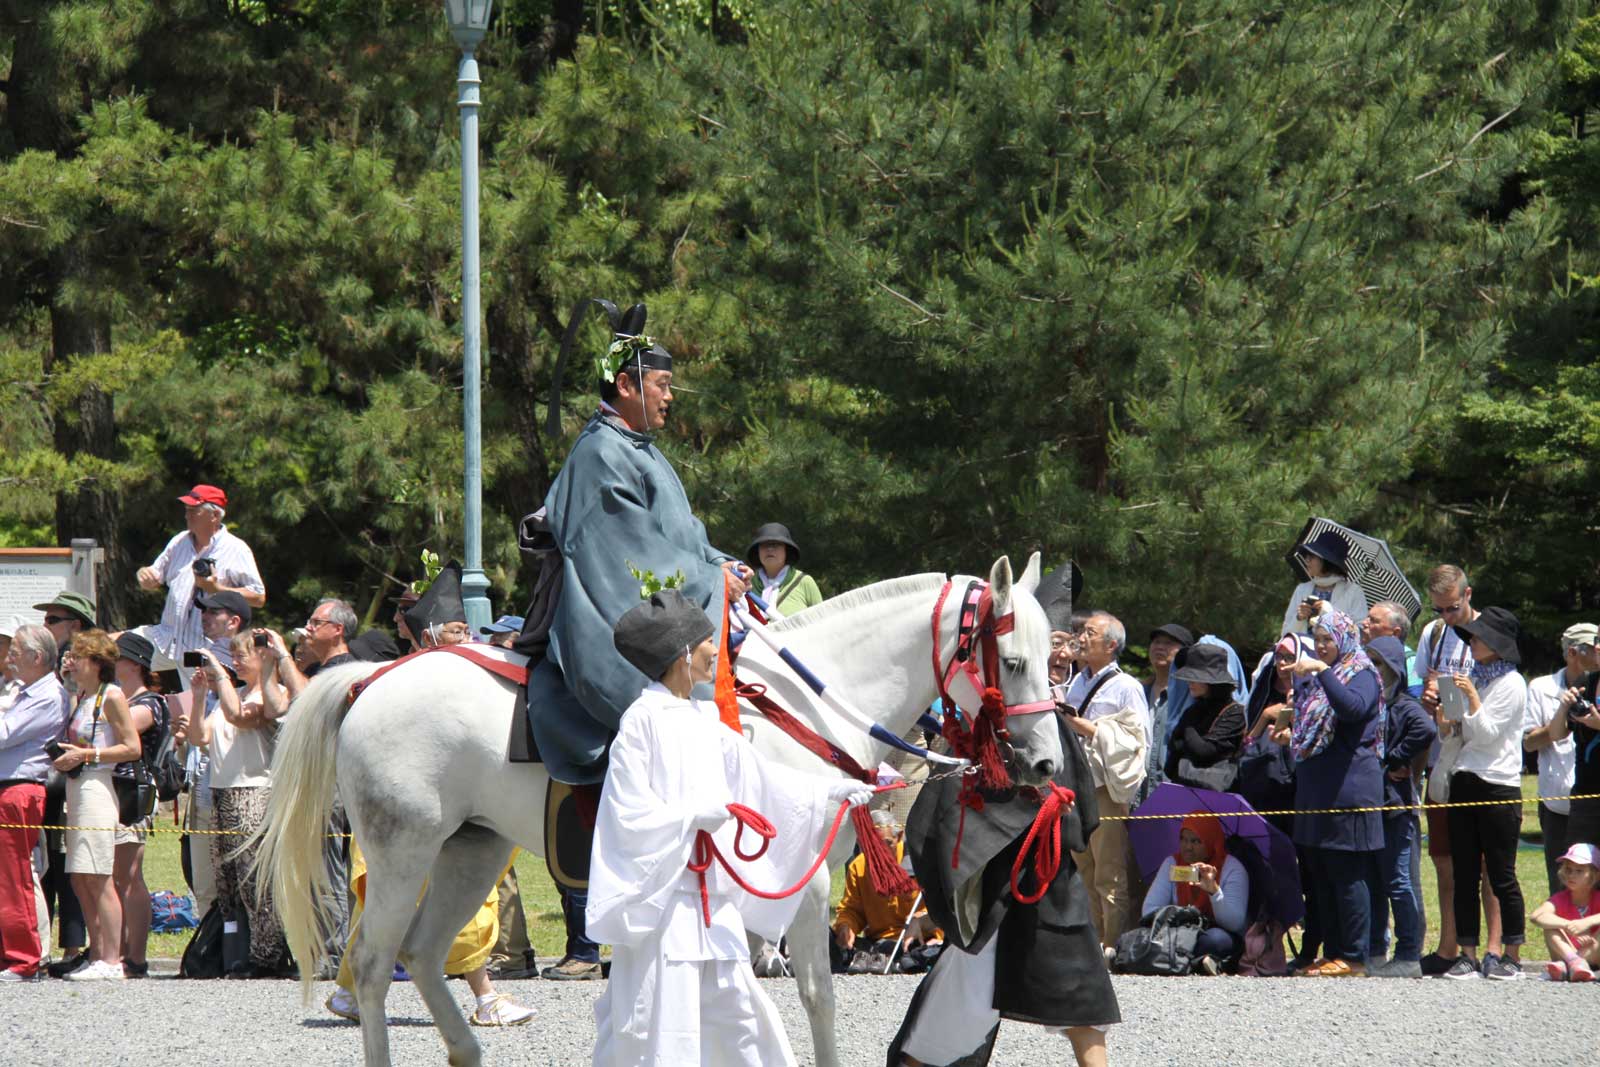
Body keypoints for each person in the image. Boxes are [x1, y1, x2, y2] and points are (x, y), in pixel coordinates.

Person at [587, 589, 872, 1067]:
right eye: (705, 641)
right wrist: (689, 818)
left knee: (742, 1023)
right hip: (667, 908)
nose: (714, 650)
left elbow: (758, 775)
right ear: (681, 653)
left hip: (713, 907)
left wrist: (830, 792)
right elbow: (625, 814)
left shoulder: (706, 717)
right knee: (664, 1025)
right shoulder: (640, 723)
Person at [532, 299, 749, 786]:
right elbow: (629, 556)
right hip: (608, 625)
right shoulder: (601, 452)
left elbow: (682, 537)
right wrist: (711, 577)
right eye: (663, 385)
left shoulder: (641, 451)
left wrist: (721, 563)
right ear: (626, 385)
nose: (670, 397)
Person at [887, 716, 1116, 1067]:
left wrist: (1051, 811)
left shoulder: (1052, 727)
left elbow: (1080, 817)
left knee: (1082, 1002)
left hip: (1048, 883)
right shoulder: (982, 733)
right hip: (996, 894)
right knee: (945, 1024)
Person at [1411, 564, 1500, 975]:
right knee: (1445, 860)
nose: (1447, 616)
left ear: (1468, 594)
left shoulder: (1491, 632)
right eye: (1439, 609)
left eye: (1452, 607)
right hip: (1444, 756)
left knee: (1487, 864)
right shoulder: (1434, 634)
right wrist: (1430, 698)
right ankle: (1450, 947)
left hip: (1482, 760)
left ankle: (1495, 949)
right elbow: (1428, 687)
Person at [1288, 609, 1384, 978]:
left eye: (1329, 639)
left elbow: (1352, 709)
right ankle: (1331, 951)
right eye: (1319, 640)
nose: (1323, 646)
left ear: (1345, 639)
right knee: (1322, 876)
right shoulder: (1322, 678)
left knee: (1347, 874)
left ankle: (1354, 955)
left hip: (1349, 790)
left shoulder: (1361, 673)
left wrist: (1321, 671)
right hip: (1317, 791)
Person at [188, 634, 291, 977]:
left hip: (253, 792)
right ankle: (237, 951)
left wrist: (219, 676)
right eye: (230, 655)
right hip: (221, 792)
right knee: (228, 882)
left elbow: (238, 717)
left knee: (255, 880)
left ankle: (268, 956)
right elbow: (200, 737)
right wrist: (201, 695)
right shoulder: (234, 693)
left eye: (241, 655)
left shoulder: (269, 695)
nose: (234, 661)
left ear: (263, 657)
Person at [1437, 606, 1527, 980]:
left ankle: (1511, 954)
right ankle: (1468, 953)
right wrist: (1447, 716)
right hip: (1464, 778)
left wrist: (1472, 699)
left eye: (1477, 637)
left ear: (1496, 643)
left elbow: (1489, 734)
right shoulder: (1475, 678)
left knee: (1502, 873)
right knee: (1465, 871)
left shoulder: (1512, 684)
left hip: (1499, 783)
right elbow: (1463, 734)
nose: (1471, 642)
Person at [52, 631, 143, 981]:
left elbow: (132, 747)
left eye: (78, 655)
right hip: (77, 788)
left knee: (100, 876)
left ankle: (111, 959)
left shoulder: (112, 696)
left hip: (98, 787)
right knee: (80, 877)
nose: (71, 661)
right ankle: (97, 952)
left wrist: (88, 754)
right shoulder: (84, 696)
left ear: (95, 662)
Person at [1061, 611, 1147, 948]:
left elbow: (1139, 743)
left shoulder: (1127, 687)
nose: (1081, 637)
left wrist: (1084, 726)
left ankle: (1113, 944)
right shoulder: (1075, 682)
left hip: (1106, 789)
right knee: (1083, 870)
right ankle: (1091, 942)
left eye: (1090, 633)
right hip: (1075, 786)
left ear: (1111, 645)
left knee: (1109, 874)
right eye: (1081, 631)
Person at [1363, 636, 1436, 977]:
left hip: (1396, 807)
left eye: (1378, 664)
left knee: (1398, 880)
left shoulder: (1403, 704)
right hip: (1373, 806)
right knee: (1376, 881)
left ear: (1393, 669)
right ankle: (1376, 950)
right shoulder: (1372, 704)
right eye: (1369, 663)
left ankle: (1408, 954)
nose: (1373, 670)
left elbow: (1426, 728)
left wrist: (1396, 757)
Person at [0, 624, 69, 980]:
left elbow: (4, 735)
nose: (9, 659)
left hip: (19, 789)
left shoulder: (47, 695)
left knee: (15, 878)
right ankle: (9, 954)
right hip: (9, 788)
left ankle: (24, 958)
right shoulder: (25, 692)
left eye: (15, 652)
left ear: (36, 657)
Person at [134, 485, 265, 671]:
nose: (187, 515)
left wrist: (217, 590)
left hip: (203, 648)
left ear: (215, 516)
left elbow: (259, 598)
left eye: (194, 510)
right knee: (117, 649)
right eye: (187, 510)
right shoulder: (180, 540)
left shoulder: (237, 549)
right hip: (164, 639)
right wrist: (144, 575)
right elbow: (153, 577)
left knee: (195, 699)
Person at [109, 633, 167, 978]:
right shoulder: (117, 698)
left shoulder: (150, 703)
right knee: (112, 876)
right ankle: (114, 949)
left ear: (133, 664)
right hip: (112, 789)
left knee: (129, 875)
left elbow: (121, 730)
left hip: (133, 791)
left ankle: (137, 956)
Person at [1524, 624, 1597, 894]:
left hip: (1589, 798)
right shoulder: (1543, 687)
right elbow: (1530, 742)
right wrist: (1565, 712)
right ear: (1572, 652)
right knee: (1562, 884)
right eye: (1592, 647)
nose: (1597, 652)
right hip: (1556, 801)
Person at [1139, 815, 1249, 974]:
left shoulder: (1232, 868)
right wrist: (1182, 915)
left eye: (1196, 841)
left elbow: (1235, 922)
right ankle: (1197, 963)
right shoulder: (1173, 864)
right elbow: (1149, 910)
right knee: (1144, 934)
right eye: (1183, 839)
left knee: (1215, 942)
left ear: (1210, 841)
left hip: (1214, 932)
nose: (1187, 847)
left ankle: (1163, 958)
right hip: (1179, 930)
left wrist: (1214, 891)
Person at [831, 810, 937, 974]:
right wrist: (846, 926)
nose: (880, 854)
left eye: (887, 844)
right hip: (876, 944)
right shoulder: (858, 867)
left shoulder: (919, 861)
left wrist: (920, 921)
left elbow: (943, 907)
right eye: (873, 847)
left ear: (899, 837)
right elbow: (852, 910)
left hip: (919, 941)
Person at [1162, 643, 1245, 790]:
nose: (1189, 682)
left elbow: (1203, 754)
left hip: (1218, 802)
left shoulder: (1234, 713)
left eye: (1196, 677)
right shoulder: (1193, 711)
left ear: (1213, 682)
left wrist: (1187, 729)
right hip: (1184, 795)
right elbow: (1170, 765)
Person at [1531, 843, 1600, 982]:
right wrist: (1568, 925)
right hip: (1566, 952)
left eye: (1579, 871)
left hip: (1592, 953)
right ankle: (1573, 962)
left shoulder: (1597, 897)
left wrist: (1585, 923)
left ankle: (1567, 967)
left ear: (1595, 875)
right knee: (1550, 927)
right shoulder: (1560, 898)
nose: (1571, 875)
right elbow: (1535, 916)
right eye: (1568, 870)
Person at [1280, 530, 1368, 638]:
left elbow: (1359, 634)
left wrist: (1330, 613)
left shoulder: (1353, 591)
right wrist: (1298, 618)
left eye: (1312, 556)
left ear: (1326, 561)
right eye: (1307, 556)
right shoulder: (1302, 589)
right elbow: (1285, 633)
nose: (1307, 560)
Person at [1142, 623, 1194, 797]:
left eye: (1169, 643)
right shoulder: (1138, 692)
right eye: (1156, 642)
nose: (1160, 647)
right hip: (1134, 792)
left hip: (1171, 791)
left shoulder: (1190, 696)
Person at [745, 523, 824, 617]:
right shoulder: (746, 585)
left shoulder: (804, 582)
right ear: (757, 551)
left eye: (776, 544)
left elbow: (823, 619)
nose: (770, 549)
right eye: (764, 545)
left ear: (787, 550)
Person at [1360, 601, 1422, 695]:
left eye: (1373, 621)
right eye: (1367, 618)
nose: (1364, 623)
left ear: (1395, 633)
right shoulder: (1357, 653)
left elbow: (1415, 699)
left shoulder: (1410, 660)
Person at [32, 592, 95, 667]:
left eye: (51, 620)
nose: (44, 626)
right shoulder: (56, 659)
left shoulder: (87, 663)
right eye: (45, 621)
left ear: (74, 626)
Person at [302, 597, 358, 676]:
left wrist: (283, 654)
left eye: (316, 622)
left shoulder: (344, 668)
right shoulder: (313, 668)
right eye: (310, 622)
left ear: (338, 629)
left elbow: (302, 688)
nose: (307, 627)